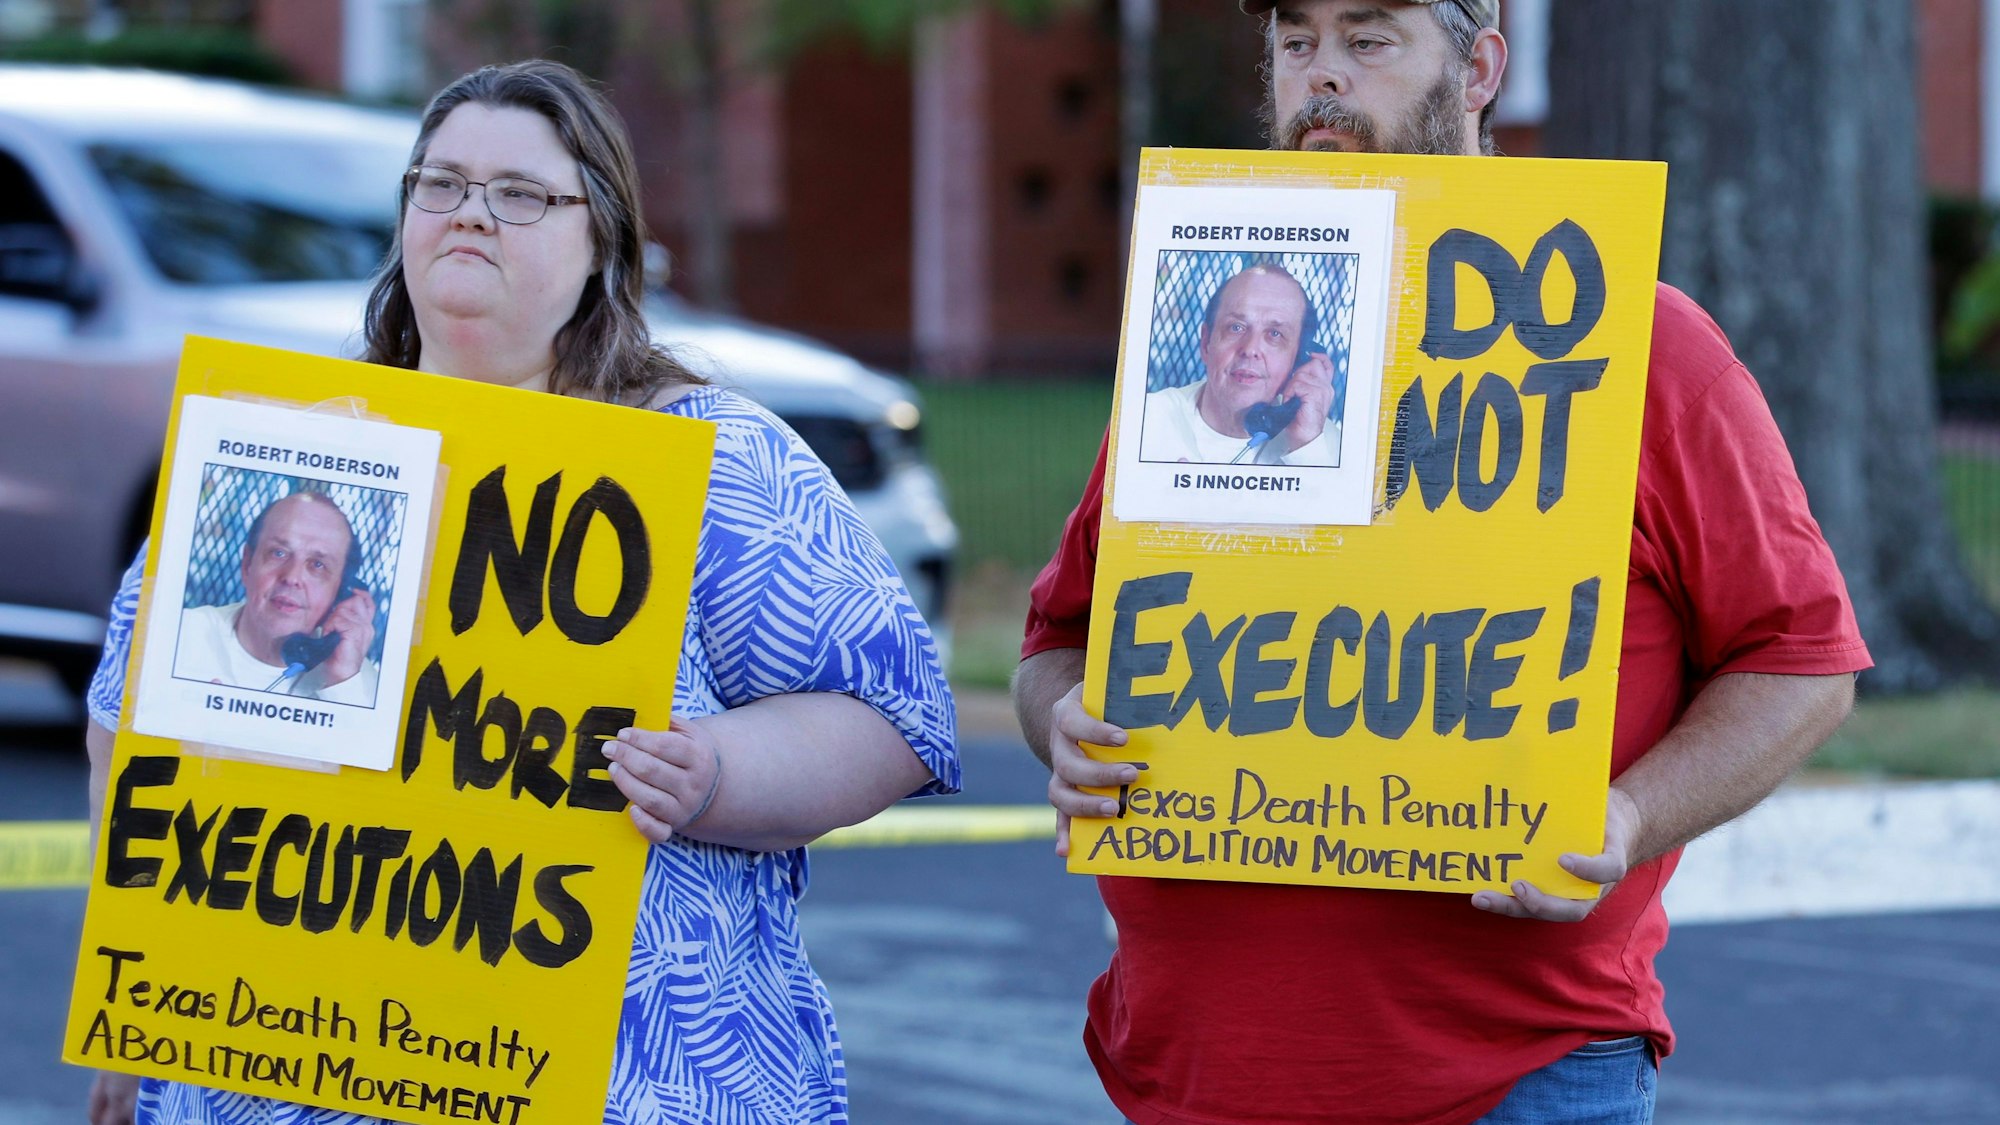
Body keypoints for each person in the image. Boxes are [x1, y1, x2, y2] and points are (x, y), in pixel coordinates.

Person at [1012, 2, 1872, 1123]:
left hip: (1507, 1078)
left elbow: (1801, 661)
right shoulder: (1217, 358)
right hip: (1187, 1070)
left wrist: (1622, 816)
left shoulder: (1638, 346)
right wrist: (1064, 721)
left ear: (1478, 71)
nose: (1320, 77)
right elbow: (1055, 642)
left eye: (1367, 41)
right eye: (1294, 42)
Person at [82, 59, 957, 1125]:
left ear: (603, 245)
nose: (471, 215)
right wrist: (136, 1019)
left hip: (627, 1084)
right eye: (439, 184)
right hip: (289, 1078)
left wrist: (714, 771)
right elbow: (130, 735)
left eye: (523, 193)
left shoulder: (711, 461)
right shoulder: (289, 446)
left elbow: (890, 713)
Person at [173, 490, 380, 703]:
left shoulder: (359, 683)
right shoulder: (179, 636)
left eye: (317, 565)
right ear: (247, 564)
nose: (291, 577)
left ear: (340, 593)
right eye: (278, 553)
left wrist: (343, 683)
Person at [1141, 263, 1341, 467]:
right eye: (1236, 327)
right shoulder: (1144, 420)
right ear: (1206, 343)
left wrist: (1306, 446)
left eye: (1274, 334)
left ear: (1298, 360)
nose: (1250, 349)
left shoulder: (1324, 443)